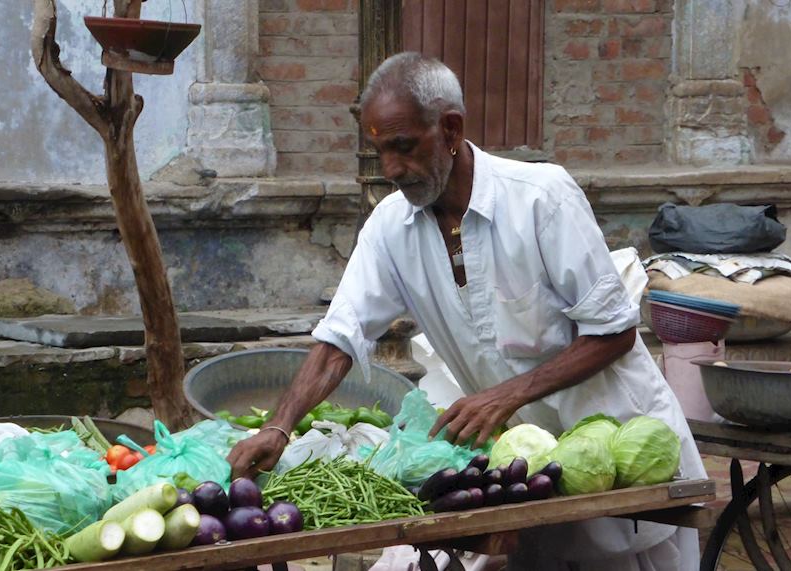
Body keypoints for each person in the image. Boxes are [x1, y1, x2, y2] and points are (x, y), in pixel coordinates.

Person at [228, 52, 707, 570]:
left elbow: (613, 332)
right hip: (528, 469)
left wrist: (502, 397)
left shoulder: (540, 199)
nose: (391, 170)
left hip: (620, 454)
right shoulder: (391, 227)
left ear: (451, 129)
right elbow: (340, 337)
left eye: (404, 148)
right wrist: (278, 426)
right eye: (380, 152)